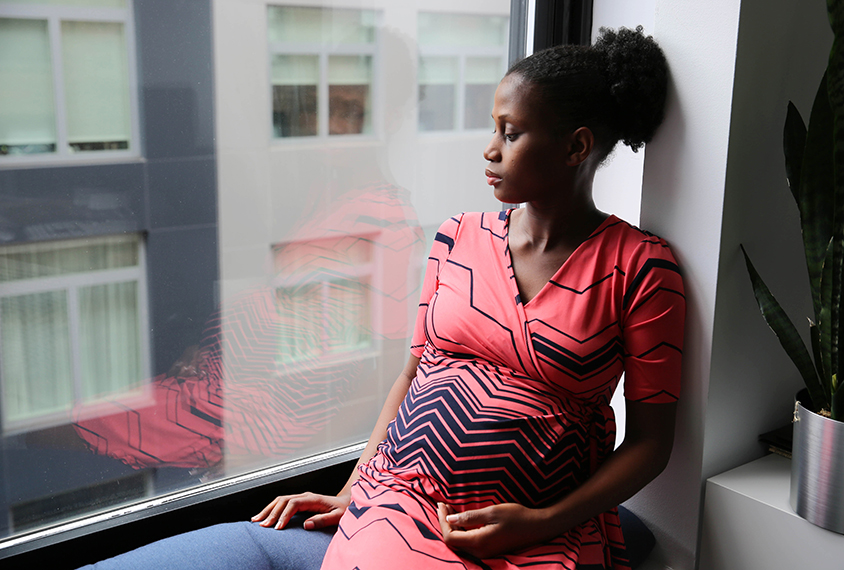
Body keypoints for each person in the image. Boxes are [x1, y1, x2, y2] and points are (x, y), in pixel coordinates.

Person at [80, 26, 683, 570]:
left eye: (511, 132)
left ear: (577, 147)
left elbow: (653, 442)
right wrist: (354, 489)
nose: (489, 150)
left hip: (538, 526)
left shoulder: (641, 269)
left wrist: (544, 521)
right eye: (492, 129)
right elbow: (413, 374)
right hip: (399, 503)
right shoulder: (459, 236)